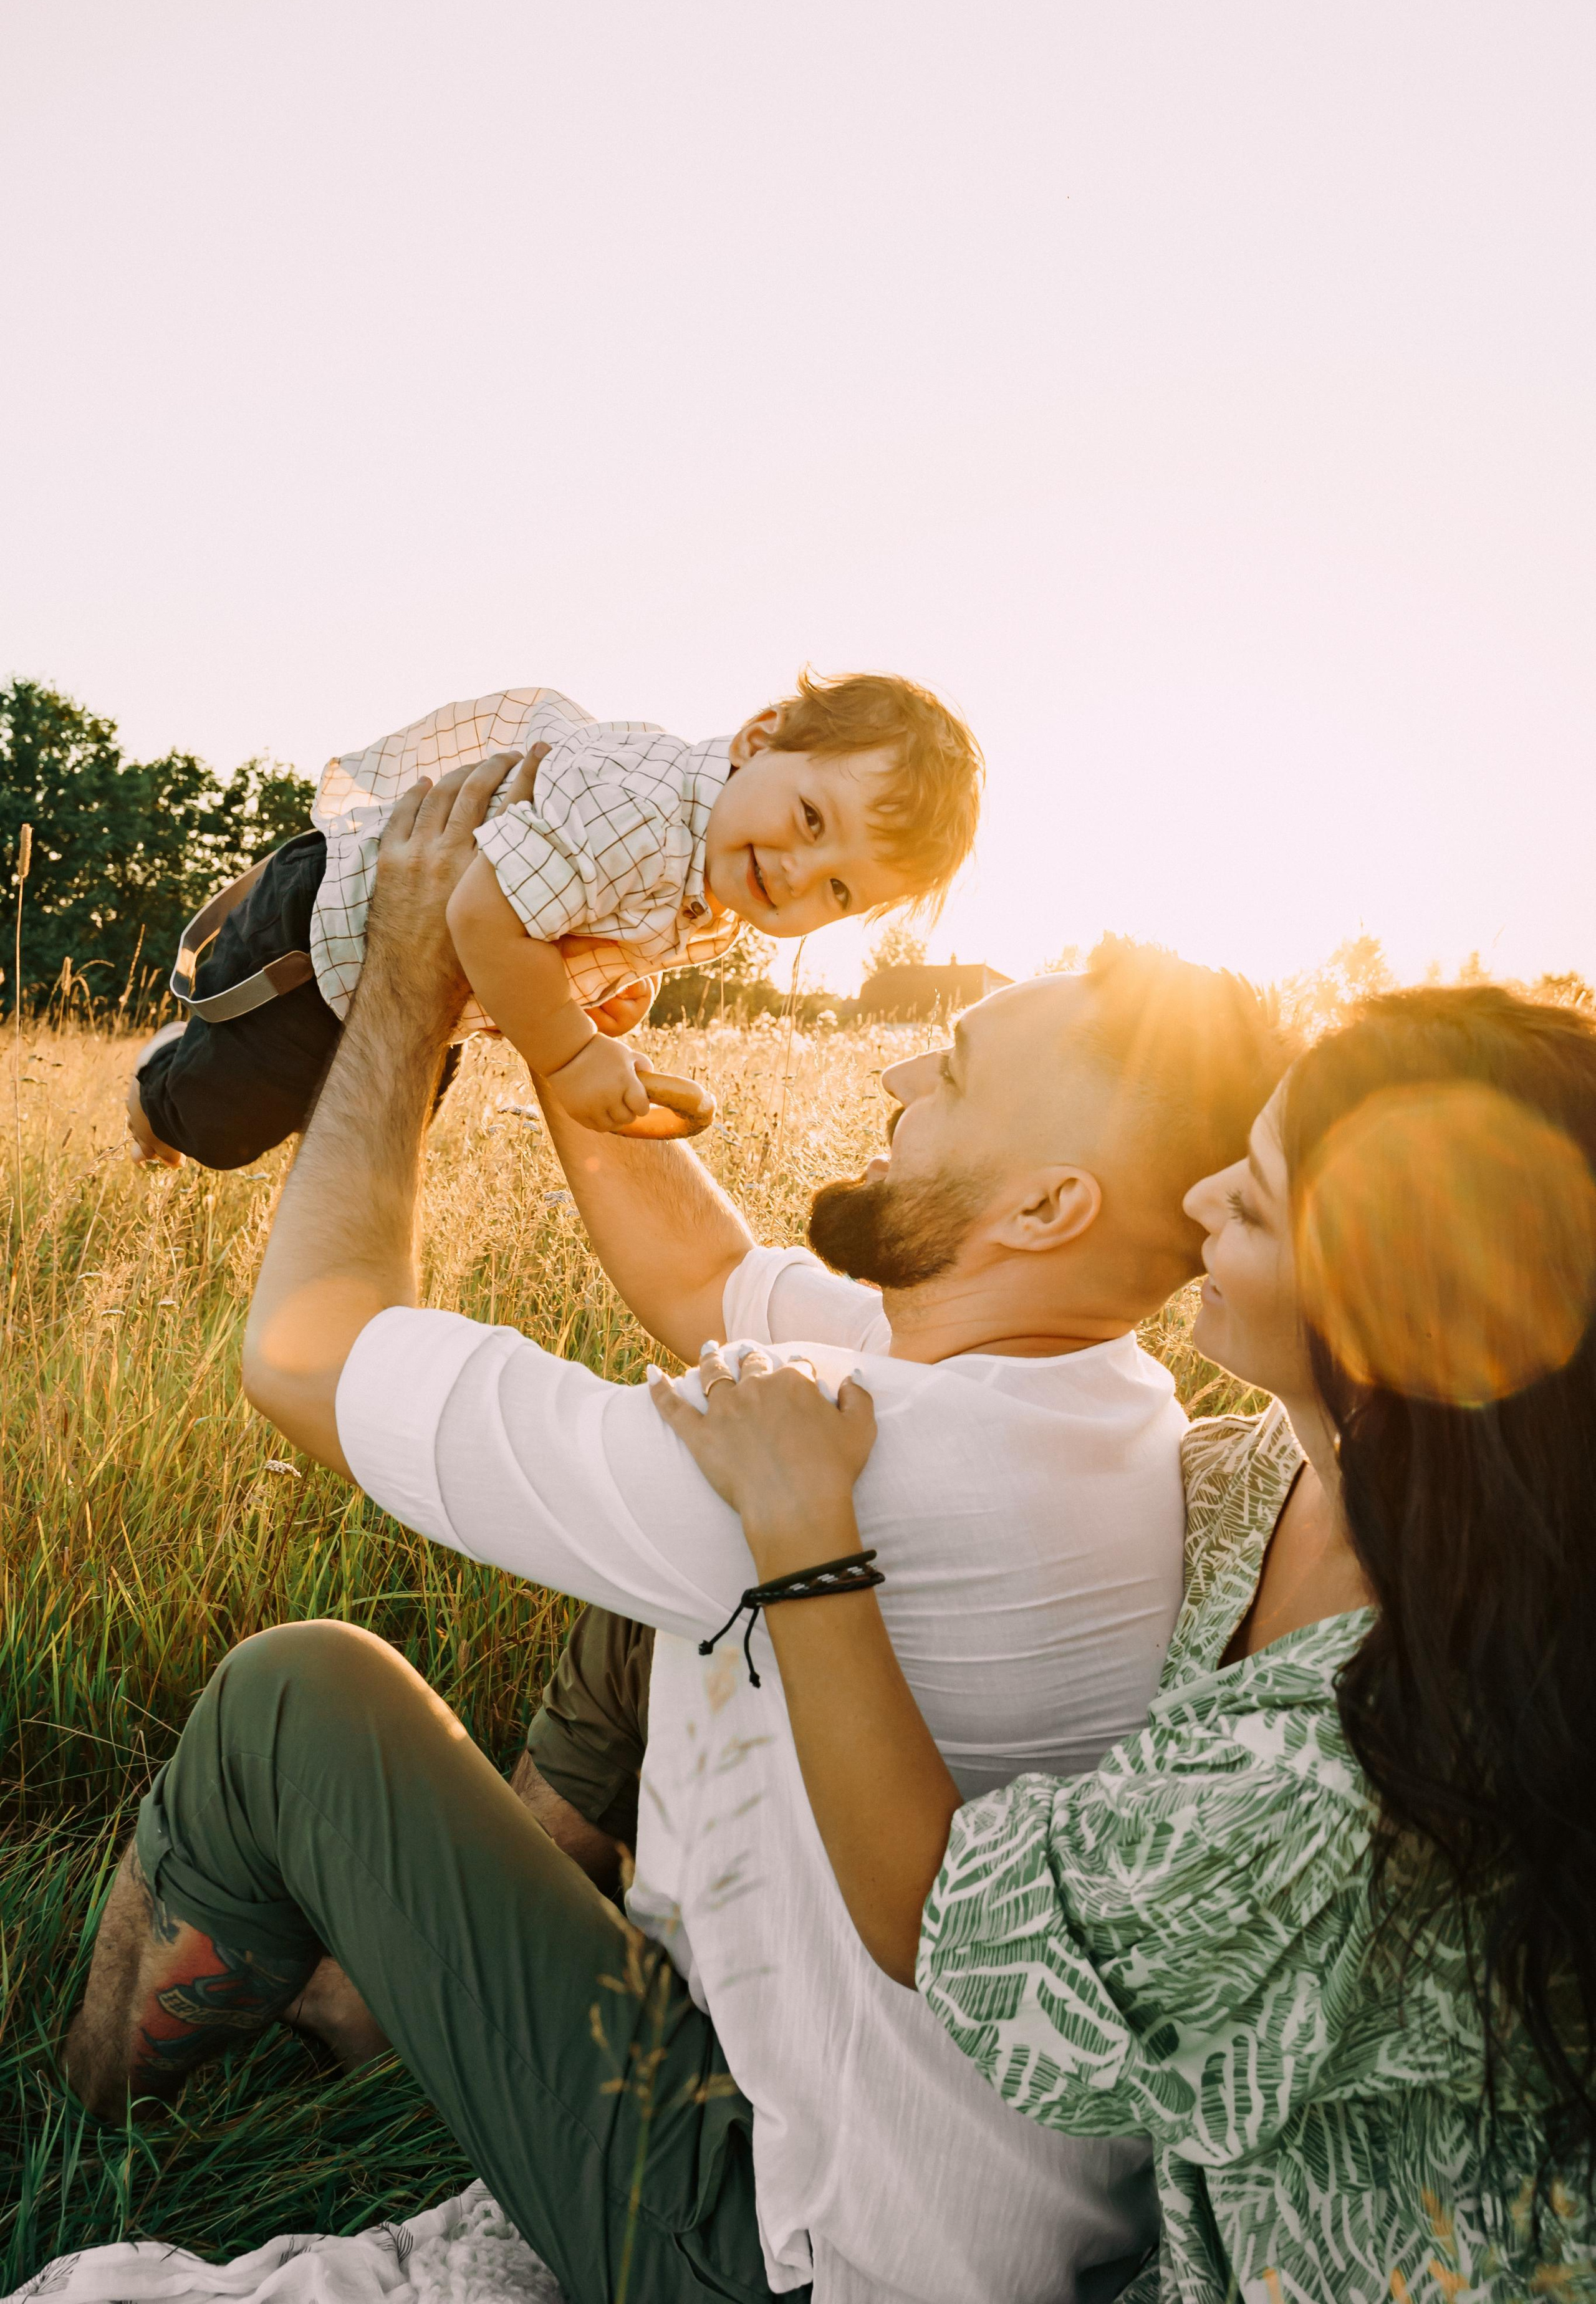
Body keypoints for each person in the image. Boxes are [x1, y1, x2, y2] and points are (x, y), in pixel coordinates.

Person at [65, 758, 1291, 2304]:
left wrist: (406, 999)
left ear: (1042, 1209)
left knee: (291, 1697)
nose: (901, 1076)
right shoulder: (1082, 1393)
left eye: (956, 1073)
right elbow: (711, 1279)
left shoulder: (878, 1468)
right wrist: (567, 1040)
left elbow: (304, 1355)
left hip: (767, 2251)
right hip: (959, 2212)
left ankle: (78, 2122)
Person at [651, 983, 1596, 2303]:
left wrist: (804, 1535)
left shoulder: (1351, 1769)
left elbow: (938, 1927)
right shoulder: (1271, 1476)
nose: (1200, 1201)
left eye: (1253, 1204)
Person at [127, 667, 982, 1169]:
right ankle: (161, 1084)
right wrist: (570, 1053)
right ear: (760, 740)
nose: (799, 876)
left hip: (414, 987)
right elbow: (484, 914)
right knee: (221, 1127)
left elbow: (558, 925)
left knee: (380, 1144)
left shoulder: (714, 874)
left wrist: (592, 994)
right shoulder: (643, 813)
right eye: (811, 820)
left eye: (840, 892)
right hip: (324, 937)